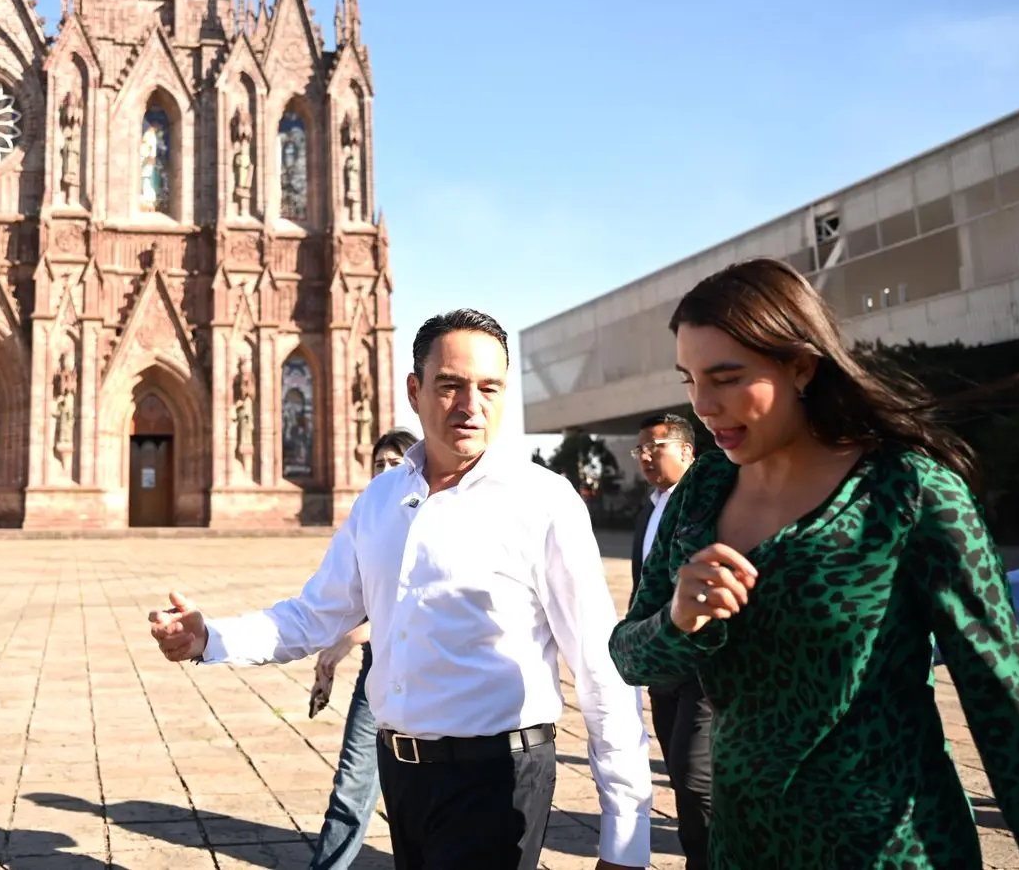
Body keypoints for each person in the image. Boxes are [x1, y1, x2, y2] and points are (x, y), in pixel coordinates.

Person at [150, 310, 651, 870]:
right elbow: (315, 615)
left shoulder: (544, 502)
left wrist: (626, 837)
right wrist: (210, 637)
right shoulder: (382, 499)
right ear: (414, 391)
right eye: (450, 386)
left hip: (499, 779)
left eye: (489, 388)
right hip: (403, 776)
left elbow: (600, 665)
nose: (471, 405)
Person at [610, 258, 1019, 869]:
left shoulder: (909, 492)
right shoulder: (701, 489)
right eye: (689, 379)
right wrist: (678, 620)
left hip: (888, 850)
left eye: (727, 378)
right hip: (743, 845)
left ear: (802, 366)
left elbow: (1004, 706)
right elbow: (630, 655)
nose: (703, 404)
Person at [306, 427, 419, 870]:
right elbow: (334, 602)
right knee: (351, 789)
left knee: (423, 807)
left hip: (430, 686)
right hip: (377, 680)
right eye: (378, 465)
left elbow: (415, 607)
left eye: (396, 463)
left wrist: (346, 641)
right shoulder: (368, 522)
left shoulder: (433, 520)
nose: (386, 472)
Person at [626, 413, 710, 870]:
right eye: (639, 449)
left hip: (701, 663)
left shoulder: (705, 501)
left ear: (686, 452)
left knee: (695, 776)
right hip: (660, 665)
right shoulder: (650, 507)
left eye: (653, 447)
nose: (644, 457)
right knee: (681, 776)